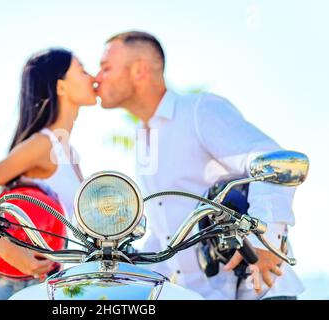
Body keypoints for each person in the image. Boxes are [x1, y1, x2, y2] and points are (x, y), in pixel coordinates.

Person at [94, 30, 303, 300]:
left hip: (259, 291)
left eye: (106, 68)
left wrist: (266, 240)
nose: (97, 78)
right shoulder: (144, 137)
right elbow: (165, 234)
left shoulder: (198, 110)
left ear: (139, 70)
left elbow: (271, 159)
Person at [0, 48, 96, 299]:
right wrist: (8, 250)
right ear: (60, 87)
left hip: (45, 286)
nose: (92, 77)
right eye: (82, 70)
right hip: (8, 289)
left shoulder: (69, 153)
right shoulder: (43, 144)